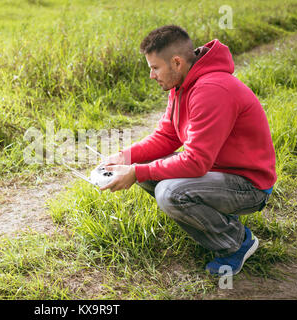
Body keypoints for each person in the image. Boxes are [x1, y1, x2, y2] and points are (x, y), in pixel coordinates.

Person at [99, 25, 276, 276]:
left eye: (154, 67)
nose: (151, 75)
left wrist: (136, 172)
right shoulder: (181, 84)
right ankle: (220, 222)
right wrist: (125, 157)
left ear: (177, 62)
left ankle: (236, 242)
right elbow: (167, 136)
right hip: (219, 172)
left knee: (169, 192)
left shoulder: (211, 90)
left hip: (250, 185)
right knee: (149, 169)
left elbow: (195, 163)